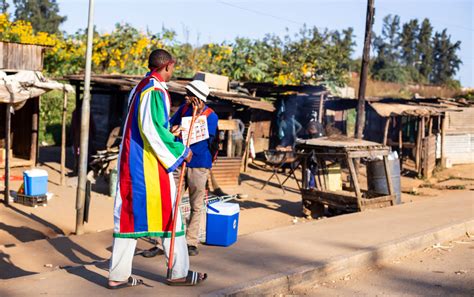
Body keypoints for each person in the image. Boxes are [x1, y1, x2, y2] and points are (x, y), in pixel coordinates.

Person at [107, 49, 207, 289]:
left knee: (128, 219)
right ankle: (178, 273)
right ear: (168, 66)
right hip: (147, 167)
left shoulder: (139, 87)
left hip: (134, 163)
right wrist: (181, 151)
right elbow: (153, 130)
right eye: (173, 67)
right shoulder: (154, 90)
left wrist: (171, 136)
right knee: (172, 218)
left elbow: (148, 127)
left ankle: (118, 275)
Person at [169, 80, 218, 256]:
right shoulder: (183, 109)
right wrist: (173, 128)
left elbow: (202, 139)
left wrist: (196, 115)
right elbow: (171, 125)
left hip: (199, 164)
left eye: (189, 94)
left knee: (196, 204)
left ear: (197, 97)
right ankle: (171, 237)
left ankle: (191, 241)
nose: (186, 96)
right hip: (180, 161)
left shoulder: (211, 116)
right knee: (172, 201)